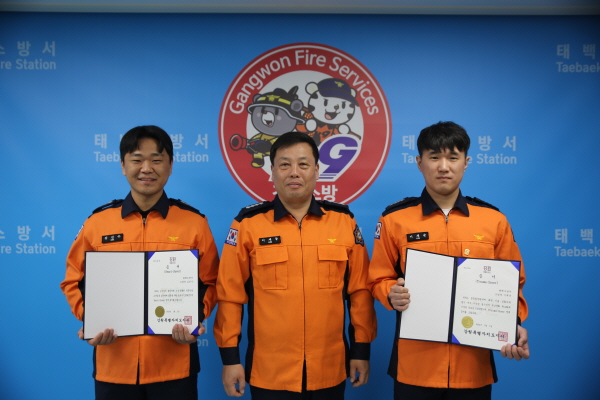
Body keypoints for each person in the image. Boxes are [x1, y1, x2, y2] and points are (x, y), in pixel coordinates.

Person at [368, 121, 529, 400]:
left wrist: (510, 324)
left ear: (466, 163)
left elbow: (513, 283)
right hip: (415, 367)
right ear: (419, 163)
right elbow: (377, 278)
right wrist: (390, 293)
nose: (444, 167)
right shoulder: (394, 219)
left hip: (473, 368)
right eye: (434, 157)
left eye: (453, 157)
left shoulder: (494, 220)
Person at [60, 125, 219, 400]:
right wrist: (91, 318)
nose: (147, 168)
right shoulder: (97, 223)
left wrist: (194, 318)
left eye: (157, 160)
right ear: (123, 166)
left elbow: (212, 281)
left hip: (174, 365)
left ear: (170, 166)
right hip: (113, 365)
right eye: (137, 159)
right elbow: (73, 280)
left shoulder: (194, 223)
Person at [214, 131, 377, 399]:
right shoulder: (248, 224)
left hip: (329, 367)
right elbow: (230, 295)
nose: (294, 172)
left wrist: (361, 350)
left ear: (317, 170)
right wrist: (230, 359)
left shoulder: (343, 221)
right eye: (284, 164)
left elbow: (359, 291)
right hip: (269, 371)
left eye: (303, 164)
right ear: (272, 171)